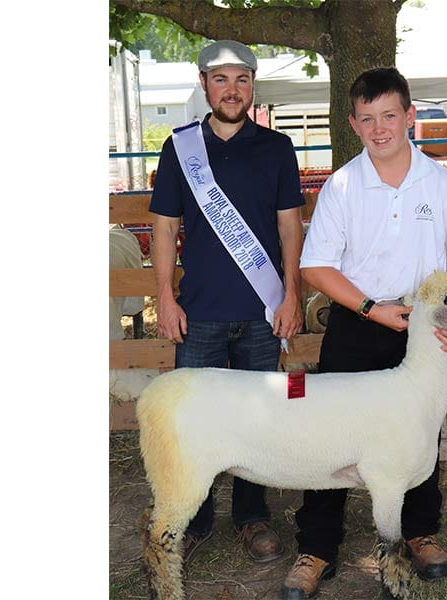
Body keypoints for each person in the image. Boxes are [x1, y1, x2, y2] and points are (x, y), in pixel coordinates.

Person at [281, 67, 447, 599]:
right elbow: (317, 267)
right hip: (358, 321)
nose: (380, 129)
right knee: (328, 428)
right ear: (354, 123)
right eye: (367, 119)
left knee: (418, 433)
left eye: (389, 116)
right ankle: (318, 545)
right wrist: (373, 308)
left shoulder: (442, 185)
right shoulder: (343, 185)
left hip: (423, 328)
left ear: (409, 116)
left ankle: (420, 532)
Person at [149, 39, 305, 565]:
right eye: (221, 80)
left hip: (264, 313)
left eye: (241, 79)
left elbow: (289, 227)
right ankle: (193, 519)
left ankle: (251, 516)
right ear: (204, 85)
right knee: (195, 420)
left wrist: (291, 295)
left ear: (252, 85)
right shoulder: (180, 148)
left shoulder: (277, 148)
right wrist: (165, 298)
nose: (232, 90)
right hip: (200, 312)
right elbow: (165, 227)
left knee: (260, 418)